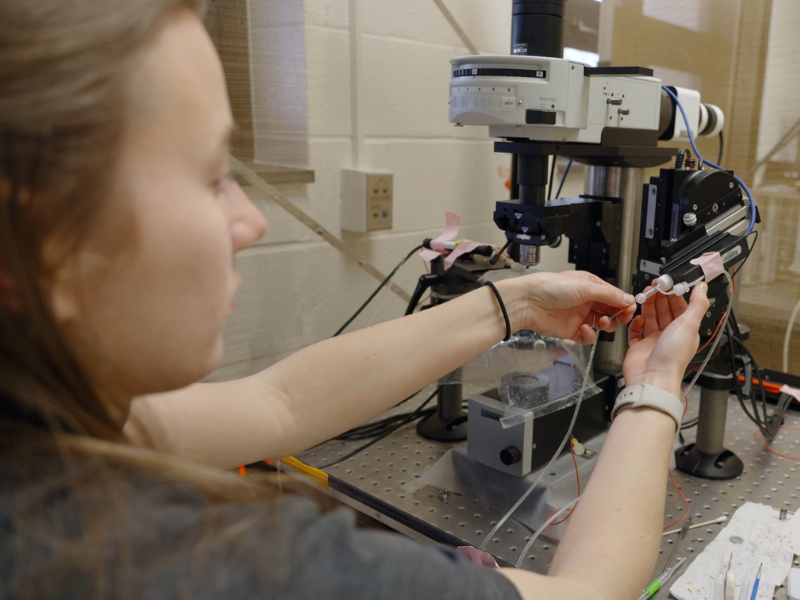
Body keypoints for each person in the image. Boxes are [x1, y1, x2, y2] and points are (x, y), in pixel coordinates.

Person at [0, 1, 710, 598]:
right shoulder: (230, 566)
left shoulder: (47, 439)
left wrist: (516, 303)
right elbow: (586, 594)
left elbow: (279, 403)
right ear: (47, 241)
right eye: (213, 174)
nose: (249, 222)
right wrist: (653, 385)